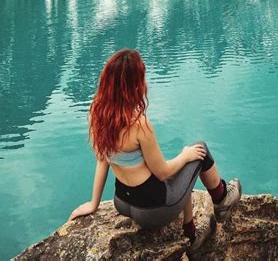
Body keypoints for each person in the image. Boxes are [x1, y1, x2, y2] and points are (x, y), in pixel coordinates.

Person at [69, 48, 242, 258]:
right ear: (134, 85)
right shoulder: (139, 124)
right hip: (154, 210)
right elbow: (162, 173)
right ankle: (222, 198)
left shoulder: (97, 114)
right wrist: (185, 156)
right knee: (199, 150)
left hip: (122, 202)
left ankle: (190, 233)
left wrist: (93, 204)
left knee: (182, 171)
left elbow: (102, 161)